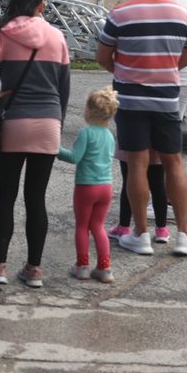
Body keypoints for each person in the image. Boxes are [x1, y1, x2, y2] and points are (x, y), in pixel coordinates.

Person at [97, 0, 187, 256]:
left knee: (136, 164)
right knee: (174, 163)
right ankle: (183, 234)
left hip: (130, 101)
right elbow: (184, 59)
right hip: (167, 99)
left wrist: (125, 71)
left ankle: (140, 234)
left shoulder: (118, 14)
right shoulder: (181, 14)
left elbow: (103, 56)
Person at [0, 0, 70, 288]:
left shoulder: (4, 32)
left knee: (6, 197)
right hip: (48, 125)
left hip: (14, 124)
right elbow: (64, 89)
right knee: (36, 198)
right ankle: (33, 270)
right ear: (40, 5)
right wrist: (57, 123)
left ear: (14, 3)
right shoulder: (57, 37)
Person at [58, 88, 119, 283]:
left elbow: (74, 157)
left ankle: (82, 266)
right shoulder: (109, 136)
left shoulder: (86, 133)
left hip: (86, 186)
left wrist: (55, 149)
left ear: (89, 111)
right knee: (98, 226)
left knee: (82, 226)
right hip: (106, 186)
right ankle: (104, 268)